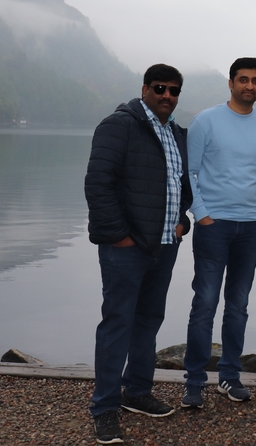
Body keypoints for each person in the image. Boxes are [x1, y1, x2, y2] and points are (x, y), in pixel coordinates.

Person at [84, 64, 192, 445]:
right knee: (117, 324)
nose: (167, 96)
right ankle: (105, 409)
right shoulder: (120, 125)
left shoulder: (177, 133)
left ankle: (138, 392)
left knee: (148, 320)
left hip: (165, 244)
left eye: (174, 91)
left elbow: (184, 185)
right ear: (145, 88)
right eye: (160, 88)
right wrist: (119, 237)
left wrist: (183, 222)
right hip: (127, 249)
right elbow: (98, 183)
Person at [182, 57, 256, 408]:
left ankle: (229, 376)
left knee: (238, 305)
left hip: (252, 228)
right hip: (214, 226)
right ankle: (194, 381)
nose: (249, 86)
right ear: (230, 83)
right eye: (243, 80)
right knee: (205, 303)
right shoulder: (206, 121)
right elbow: (189, 174)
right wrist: (203, 214)